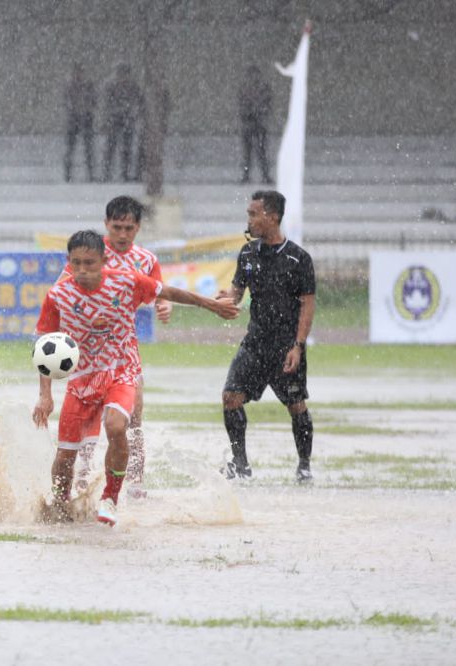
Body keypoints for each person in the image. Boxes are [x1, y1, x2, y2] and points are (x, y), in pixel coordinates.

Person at [33, 230, 239, 526]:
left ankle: (110, 498)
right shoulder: (58, 296)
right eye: (76, 263)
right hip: (82, 379)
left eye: (89, 263)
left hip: (121, 370)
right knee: (65, 457)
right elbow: (45, 344)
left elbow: (169, 292)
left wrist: (211, 304)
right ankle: (59, 506)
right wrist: (45, 394)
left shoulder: (126, 281)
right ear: (68, 261)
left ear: (104, 260)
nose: (82, 270)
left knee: (116, 426)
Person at [62, 196, 172, 500]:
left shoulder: (147, 260)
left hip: (124, 348)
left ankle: (136, 483)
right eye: (117, 227)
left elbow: (159, 292)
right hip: (88, 350)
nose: (123, 234)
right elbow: (64, 292)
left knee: (133, 414)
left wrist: (164, 306)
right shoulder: (91, 254)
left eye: (129, 228)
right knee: (87, 419)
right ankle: (81, 481)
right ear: (106, 225)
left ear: (138, 227)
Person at [217, 190, 315, 483]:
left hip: (287, 347)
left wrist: (298, 346)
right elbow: (236, 295)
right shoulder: (247, 254)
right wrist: (225, 300)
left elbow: (307, 306)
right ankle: (241, 464)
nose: (249, 219)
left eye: (253, 213)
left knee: (296, 405)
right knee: (230, 397)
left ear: (272, 217)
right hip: (255, 343)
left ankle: (304, 465)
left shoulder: (299, 259)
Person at [102, 64, 144, 182]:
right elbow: (107, 103)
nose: (123, 77)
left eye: (125, 74)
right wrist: (109, 117)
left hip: (127, 119)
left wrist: (133, 113)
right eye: (121, 74)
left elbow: (140, 101)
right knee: (110, 148)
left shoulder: (133, 86)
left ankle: (124, 174)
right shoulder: (111, 86)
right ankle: (107, 173)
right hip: (114, 119)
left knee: (126, 148)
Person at [238, 65, 273, 184]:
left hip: (257, 124)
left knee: (259, 153)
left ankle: (263, 175)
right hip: (252, 124)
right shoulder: (248, 89)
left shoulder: (256, 89)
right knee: (250, 153)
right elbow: (242, 105)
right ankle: (250, 175)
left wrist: (255, 112)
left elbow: (267, 104)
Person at [63, 63, 97, 183]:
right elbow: (66, 101)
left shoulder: (88, 85)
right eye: (76, 72)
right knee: (70, 149)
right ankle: (67, 175)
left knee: (88, 149)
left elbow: (94, 100)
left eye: (80, 72)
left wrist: (87, 109)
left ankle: (91, 174)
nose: (78, 75)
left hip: (86, 118)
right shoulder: (69, 86)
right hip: (74, 119)